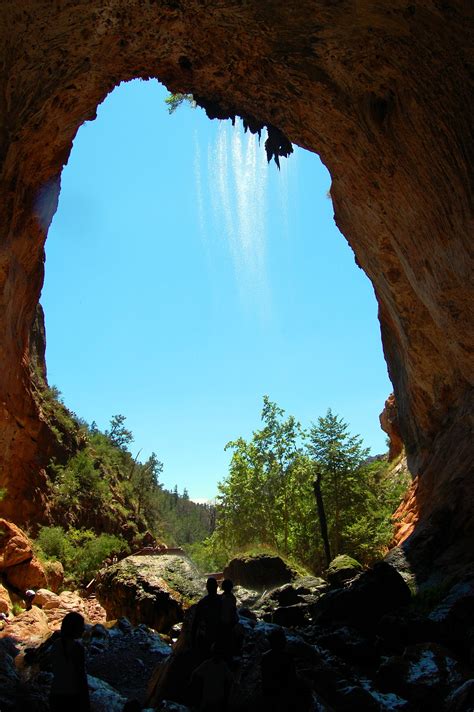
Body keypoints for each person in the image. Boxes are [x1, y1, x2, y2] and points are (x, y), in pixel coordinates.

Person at [49, 611, 90, 712]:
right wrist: (86, 700)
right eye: (81, 626)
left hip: (56, 693)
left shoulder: (56, 644)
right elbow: (80, 675)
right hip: (73, 695)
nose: (84, 628)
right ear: (75, 628)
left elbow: (54, 668)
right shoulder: (78, 648)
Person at [190, 641, 233, 712]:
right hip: (215, 697)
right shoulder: (222, 665)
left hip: (210, 696)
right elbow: (231, 679)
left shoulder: (208, 664)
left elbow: (195, 673)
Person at [261, 628, 296, 712]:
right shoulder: (288, 657)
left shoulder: (265, 657)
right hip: (284, 693)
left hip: (270, 692)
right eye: (284, 639)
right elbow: (292, 677)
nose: (285, 641)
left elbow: (264, 677)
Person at [191, 577, 222, 656]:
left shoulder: (202, 602)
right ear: (217, 586)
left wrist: (192, 639)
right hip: (221, 635)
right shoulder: (222, 600)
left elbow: (195, 622)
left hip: (207, 635)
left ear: (207, 587)